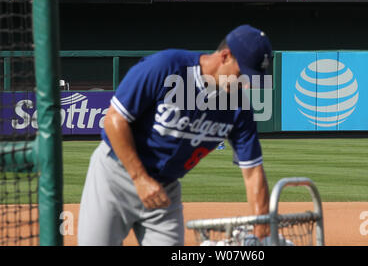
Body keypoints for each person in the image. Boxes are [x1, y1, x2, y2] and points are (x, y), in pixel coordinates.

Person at [77, 25, 272, 246]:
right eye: (242, 74)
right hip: (114, 177)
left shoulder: (238, 106)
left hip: (164, 191)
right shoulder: (167, 66)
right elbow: (114, 120)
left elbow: (253, 171)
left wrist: (261, 226)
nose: (245, 83)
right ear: (225, 56)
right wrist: (140, 179)